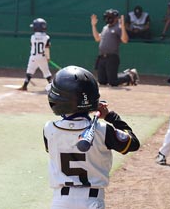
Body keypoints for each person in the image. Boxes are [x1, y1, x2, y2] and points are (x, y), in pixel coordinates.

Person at [43, 65, 140, 209]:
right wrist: (110, 116)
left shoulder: (49, 129)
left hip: (60, 202)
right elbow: (133, 143)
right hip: (91, 202)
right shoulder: (103, 130)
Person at [91, 9, 139, 86]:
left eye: (110, 17)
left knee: (113, 82)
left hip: (112, 57)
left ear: (116, 18)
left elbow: (125, 40)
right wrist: (93, 26)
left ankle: (130, 75)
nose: (108, 19)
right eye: (107, 17)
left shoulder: (118, 27)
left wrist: (123, 27)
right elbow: (97, 38)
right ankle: (123, 75)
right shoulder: (105, 28)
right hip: (101, 57)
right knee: (102, 81)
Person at [18, 18, 52, 91]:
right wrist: (48, 57)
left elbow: (32, 46)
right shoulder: (47, 37)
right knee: (46, 72)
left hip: (33, 57)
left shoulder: (32, 37)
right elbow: (47, 49)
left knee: (30, 71)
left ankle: (24, 86)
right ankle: (53, 87)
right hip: (42, 57)